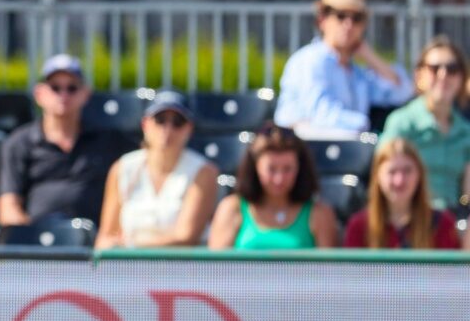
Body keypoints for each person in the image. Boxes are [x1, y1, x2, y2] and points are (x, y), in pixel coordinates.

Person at [273, 0, 413, 138]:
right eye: (340, 15)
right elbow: (321, 113)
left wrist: (370, 56)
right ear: (322, 20)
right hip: (304, 153)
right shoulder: (310, 60)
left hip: (344, 153)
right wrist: (364, 125)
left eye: (357, 18)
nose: (349, 24)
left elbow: (402, 91)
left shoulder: (357, 72)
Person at [0, 55, 126, 226]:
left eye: (72, 88)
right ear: (39, 94)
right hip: (37, 244)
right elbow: (8, 209)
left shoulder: (108, 141)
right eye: (55, 87)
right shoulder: (18, 143)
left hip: (94, 243)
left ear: (86, 94)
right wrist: (33, 237)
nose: (63, 95)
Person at [94, 91, 219, 249]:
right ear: (145, 124)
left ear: (189, 128)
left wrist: (131, 243)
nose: (167, 129)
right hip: (128, 269)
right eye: (160, 120)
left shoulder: (204, 171)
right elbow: (105, 238)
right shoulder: (122, 168)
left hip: (181, 268)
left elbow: (186, 237)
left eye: (177, 122)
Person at [207, 125, 338, 250]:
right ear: (255, 168)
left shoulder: (319, 213)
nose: (279, 179)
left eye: (287, 169)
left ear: (300, 168)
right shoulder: (232, 208)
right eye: (271, 169)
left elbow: (328, 271)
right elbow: (217, 270)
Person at [377, 37, 470, 210]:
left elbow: (467, 196)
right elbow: (384, 180)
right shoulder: (401, 123)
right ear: (419, 76)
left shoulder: (466, 132)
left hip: (453, 225)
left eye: (452, 69)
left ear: (461, 78)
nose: (443, 75)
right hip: (411, 221)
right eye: (434, 68)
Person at [344, 138, 459, 250]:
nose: (399, 181)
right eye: (392, 172)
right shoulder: (359, 226)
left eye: (407, 170)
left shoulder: (443, 224)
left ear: (419, 175)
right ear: (377, 177)